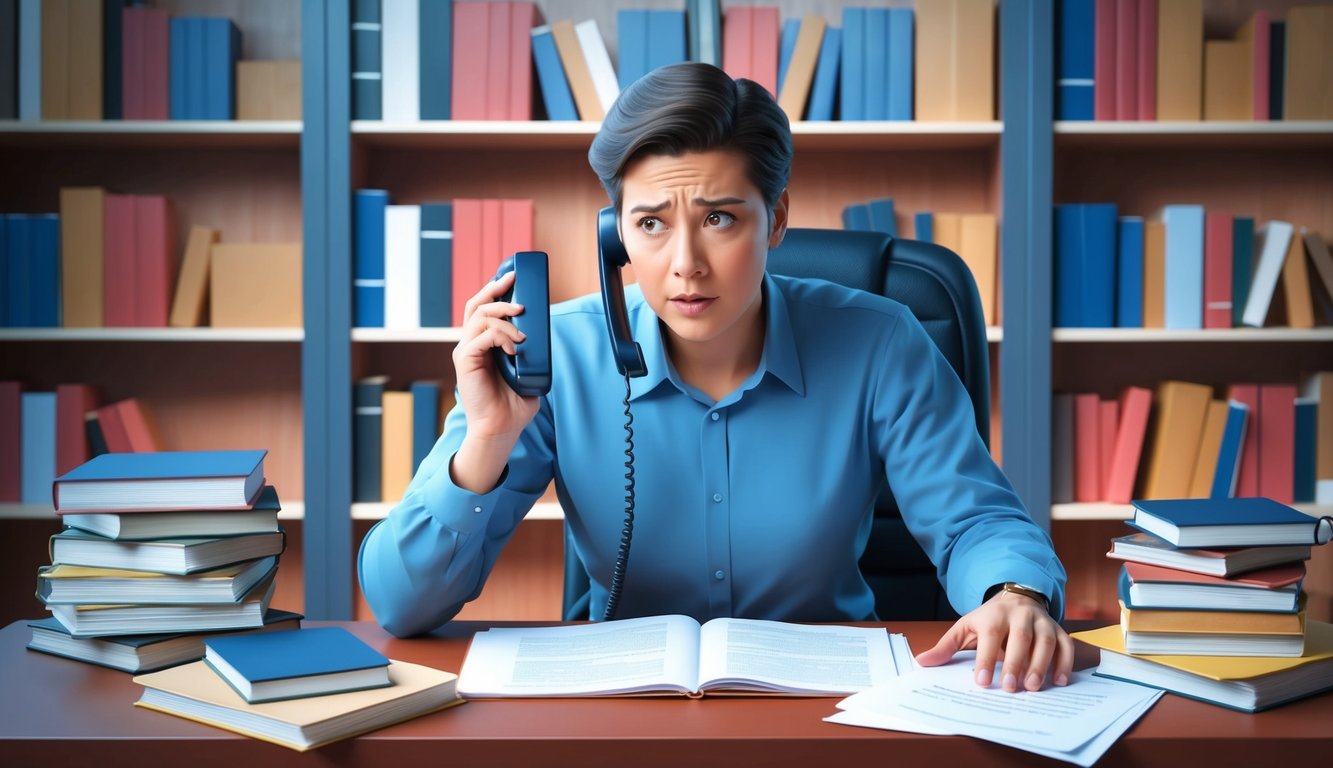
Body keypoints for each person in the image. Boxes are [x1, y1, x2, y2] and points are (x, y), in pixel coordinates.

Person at [358, 62, 1073, 692]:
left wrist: (1013, 593)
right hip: (620, 712)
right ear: (616, 237)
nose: (685, 265)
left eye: (720, 220)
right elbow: (400, 604)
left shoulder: (879, 341)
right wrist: (484, 439)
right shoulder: (558, 356)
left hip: (831, 705)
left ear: (776, 218)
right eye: (650, 225)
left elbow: (975, 518)